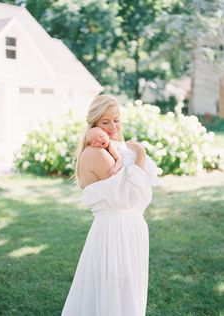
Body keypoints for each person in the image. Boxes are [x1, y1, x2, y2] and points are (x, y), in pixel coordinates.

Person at [61, 94, 159, 316]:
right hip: (115, 234)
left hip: (129, 230)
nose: (113, 127)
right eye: (105, 122)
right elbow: (129, 197)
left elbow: (140, 197)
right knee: (114, 298)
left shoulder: (115, 149)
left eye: (116, 119)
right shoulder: (96, 153)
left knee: (127, 296)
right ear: (94, 124)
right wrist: (140, 156)